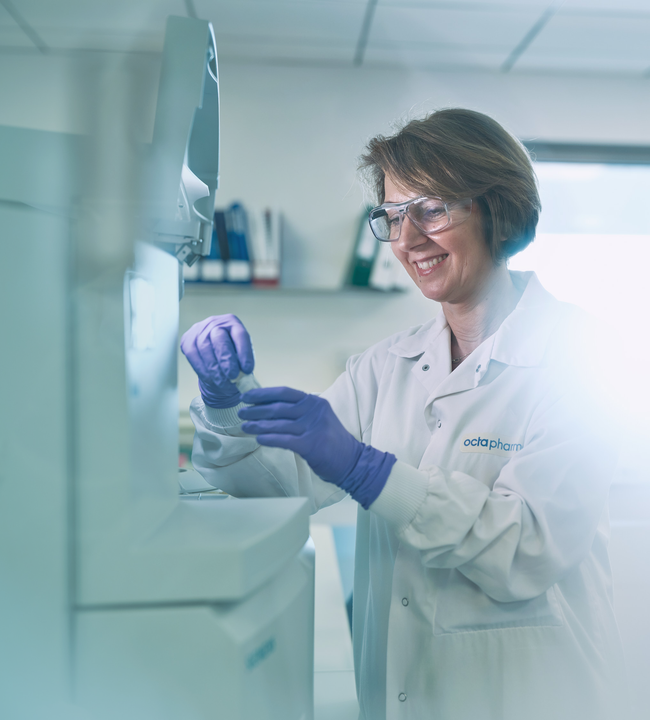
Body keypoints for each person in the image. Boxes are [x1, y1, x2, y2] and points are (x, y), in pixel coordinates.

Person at [181, 109, 625, 719]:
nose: (409, 239)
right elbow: (275, 487)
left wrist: (368, 471)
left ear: (498, 209)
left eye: (432, 209)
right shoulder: (384, 366)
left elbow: (526, 550)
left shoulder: (579, 356)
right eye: (392, 215)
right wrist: (223, 404)